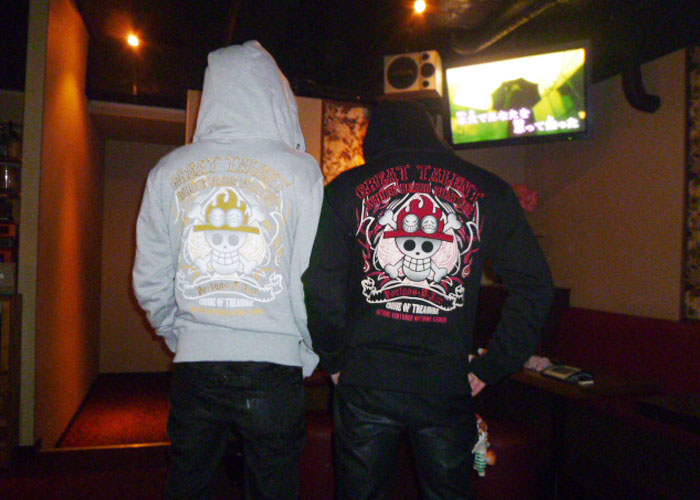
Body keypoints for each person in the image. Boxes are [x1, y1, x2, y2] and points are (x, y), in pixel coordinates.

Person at [302, 100, 553, 499]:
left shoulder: (346, 189)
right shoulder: (489, 190)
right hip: (445, 382)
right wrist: (495, 364)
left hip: (367, 380)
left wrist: (332, 359)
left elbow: (319, 286)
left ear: (373, 138)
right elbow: (535, 285)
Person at [132, 41, 323, 500]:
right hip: (275, 364)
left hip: (196, 362)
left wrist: (179, 334)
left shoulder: (168, 170)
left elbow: (150, 276)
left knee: (190, 484)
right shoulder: (301, 171)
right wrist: (307, 350)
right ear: (276, 93)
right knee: (274, 486)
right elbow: (308, 279)